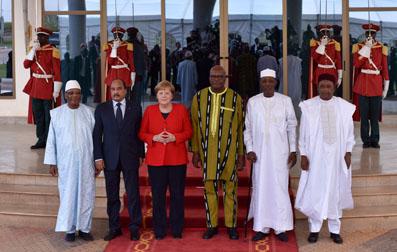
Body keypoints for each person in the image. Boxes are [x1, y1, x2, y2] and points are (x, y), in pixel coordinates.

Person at [295, 73, 355, 244]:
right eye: (322, 86)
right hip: (316, 157)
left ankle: (334, 230)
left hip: (337, 157)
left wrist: (348, 152)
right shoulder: (308, 107)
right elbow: (303, 134)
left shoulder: (344, 107)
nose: (325, 89)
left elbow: (350, 133)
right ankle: (314, 229)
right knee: (316, 190)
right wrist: (304, 155)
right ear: (317, 87)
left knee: (335, 191)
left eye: (329, 86)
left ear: (334, 87)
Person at [191, 65, 245, 240]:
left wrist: (241, 154)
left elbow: (240, 129)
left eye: (220, 76)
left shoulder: (235, 98)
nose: (216, 79)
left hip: (229, 154)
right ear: (209, 77)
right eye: (213, 76)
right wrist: (196, 151)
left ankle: (231, 226)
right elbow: (194, 126)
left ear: (225, 78)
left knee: (230, 191)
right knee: (210, 191)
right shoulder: (199, 98)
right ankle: (211, 225)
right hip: (208, 154)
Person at [244, 69, 297, 242]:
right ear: (260, 83)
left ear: (275, 82)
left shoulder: (285, 101)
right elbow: (248, 128)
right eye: (264, 81)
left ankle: (280, 226)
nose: (267, 84)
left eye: (270, 81)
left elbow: (291, 127)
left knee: (279, 188)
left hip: (280, 153)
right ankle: (262, 226)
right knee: (261, 188)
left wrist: (294, 150)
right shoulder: (253, 102)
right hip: (259, 154)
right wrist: (249, 148)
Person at [139, 80, 192, 240]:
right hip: (156, 161)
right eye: (160, 93)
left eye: (167, 93)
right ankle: (159, 230)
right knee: (158, 196)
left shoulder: (181, 110)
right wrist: (153, 137)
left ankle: (177, 229)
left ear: (172, 95)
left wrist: (175, 137)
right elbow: (141, 133)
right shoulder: (149, 110)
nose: (164, 96)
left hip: (177, 160)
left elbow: (189, 132)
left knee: (177, 195)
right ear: (156, 95)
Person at [44, 80, 96, 242]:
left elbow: (96, 138)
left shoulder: (90, 113)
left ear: (81, 95)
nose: (74, 96)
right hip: (66, 163)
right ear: (65, 95)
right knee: (68, 194)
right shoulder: (57, 114)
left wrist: (98, 160)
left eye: (77, 93)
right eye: (71, 93)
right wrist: (52, 162)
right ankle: (70, 229)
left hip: (87, 161)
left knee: (87, 194)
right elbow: (51, 140)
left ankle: (85, 228)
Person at [93, 79, 144, 241]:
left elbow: (139, 134)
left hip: (130, 157)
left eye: (119, 89)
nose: (116, 92)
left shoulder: (135, 107)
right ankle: (114, 228)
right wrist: (98, 157)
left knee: (133, 193)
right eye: (113, 89)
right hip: (109, 159)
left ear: (125, 90)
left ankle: (135, 227)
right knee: (112, 195)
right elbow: (96, 135)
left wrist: (141, 154)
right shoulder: (102, 109)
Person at [23, 27, 62, 149]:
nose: (39, 38)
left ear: (47, 38)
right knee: (38, 115)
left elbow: (57, 71)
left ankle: (49, 140)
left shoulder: (53, 50)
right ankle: (40, 139)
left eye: (42, 36)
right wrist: (32, 51)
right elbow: (25, 65)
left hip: (47, 87)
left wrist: (56, 89)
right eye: (38, 36)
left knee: (48, 116)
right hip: (35, 87)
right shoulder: (34, 49)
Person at [352, 23, 389, 148]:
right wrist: (366, 49)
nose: (370, 35)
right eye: (368, 33)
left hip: (376, 84)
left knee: (374, 116)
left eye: (372, 33)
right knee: (364, 116)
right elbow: (356, 64)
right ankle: (365, 140)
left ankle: (375, 139)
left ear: (375, 34)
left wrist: (386, 87)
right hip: (363, 84)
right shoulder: (359, 47)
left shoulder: (381, 47)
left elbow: (385, 69)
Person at [308, 24, 342, 98]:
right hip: (320, 71)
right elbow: (314, 57)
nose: (325, 34)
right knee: (319, 94)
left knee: (332, 94)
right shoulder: (315, 43)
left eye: (327, 32)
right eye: (323, 32)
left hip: (332, 71)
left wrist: (340, 76)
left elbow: (339, 61)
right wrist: (322, 45)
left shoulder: (335, 43)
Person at [103, 27, 136, 101]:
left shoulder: (127, 45)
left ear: (122, 35)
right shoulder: (109, 45)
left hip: (124, 72)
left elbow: (131, 61)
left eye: (119, 34)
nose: (117, 36)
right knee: (112, 93)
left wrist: (133, 73)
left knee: (124, 93)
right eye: (115, 34)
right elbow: (110, 62)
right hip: (113, 72)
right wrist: (114, 48)